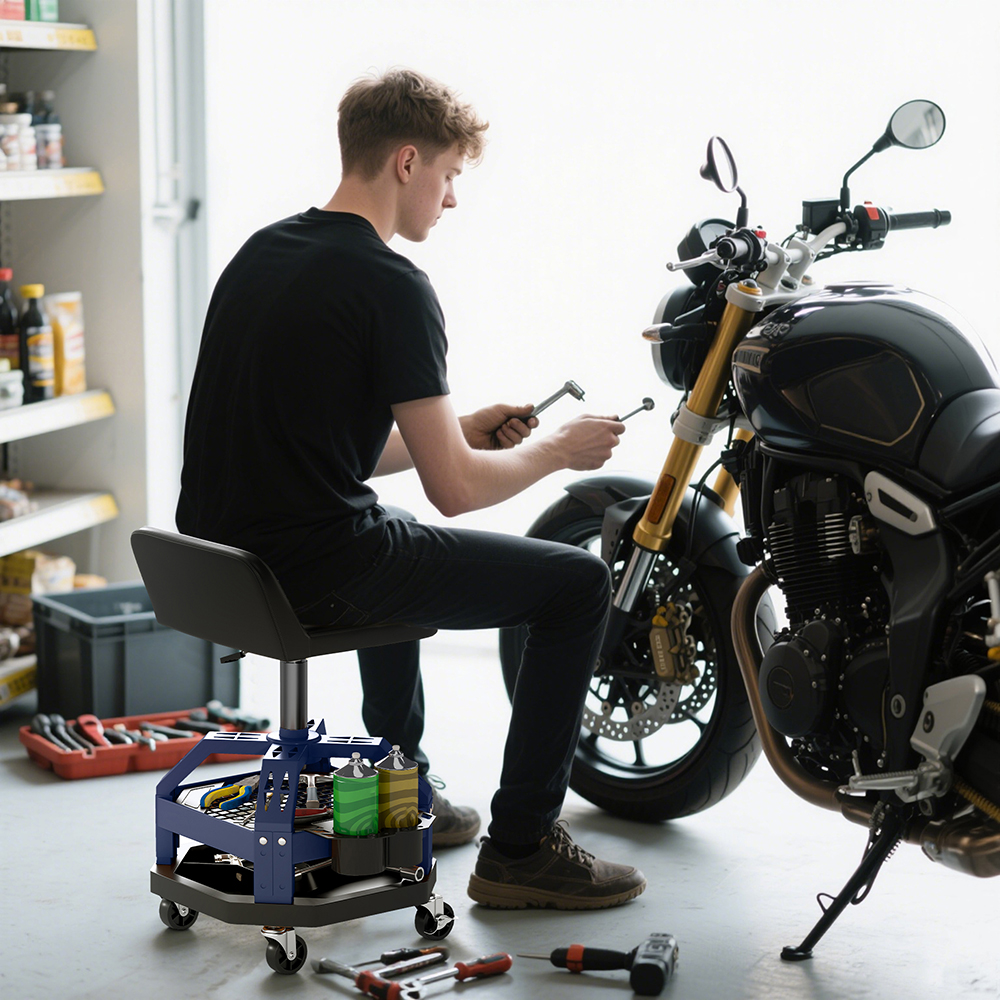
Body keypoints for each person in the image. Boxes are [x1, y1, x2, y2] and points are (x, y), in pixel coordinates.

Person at [176, 67, 645, 910]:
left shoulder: (263, 252)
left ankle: (403, 794)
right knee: (578, 584)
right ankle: (523, 848)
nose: (453, 198)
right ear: (406, 162)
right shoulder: (393, 285)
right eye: (450, 174)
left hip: (220, 564)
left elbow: (315, 448)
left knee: (386, 524)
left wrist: (454, 429)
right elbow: (456, 492)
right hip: (313, 569)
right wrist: (557, 452)